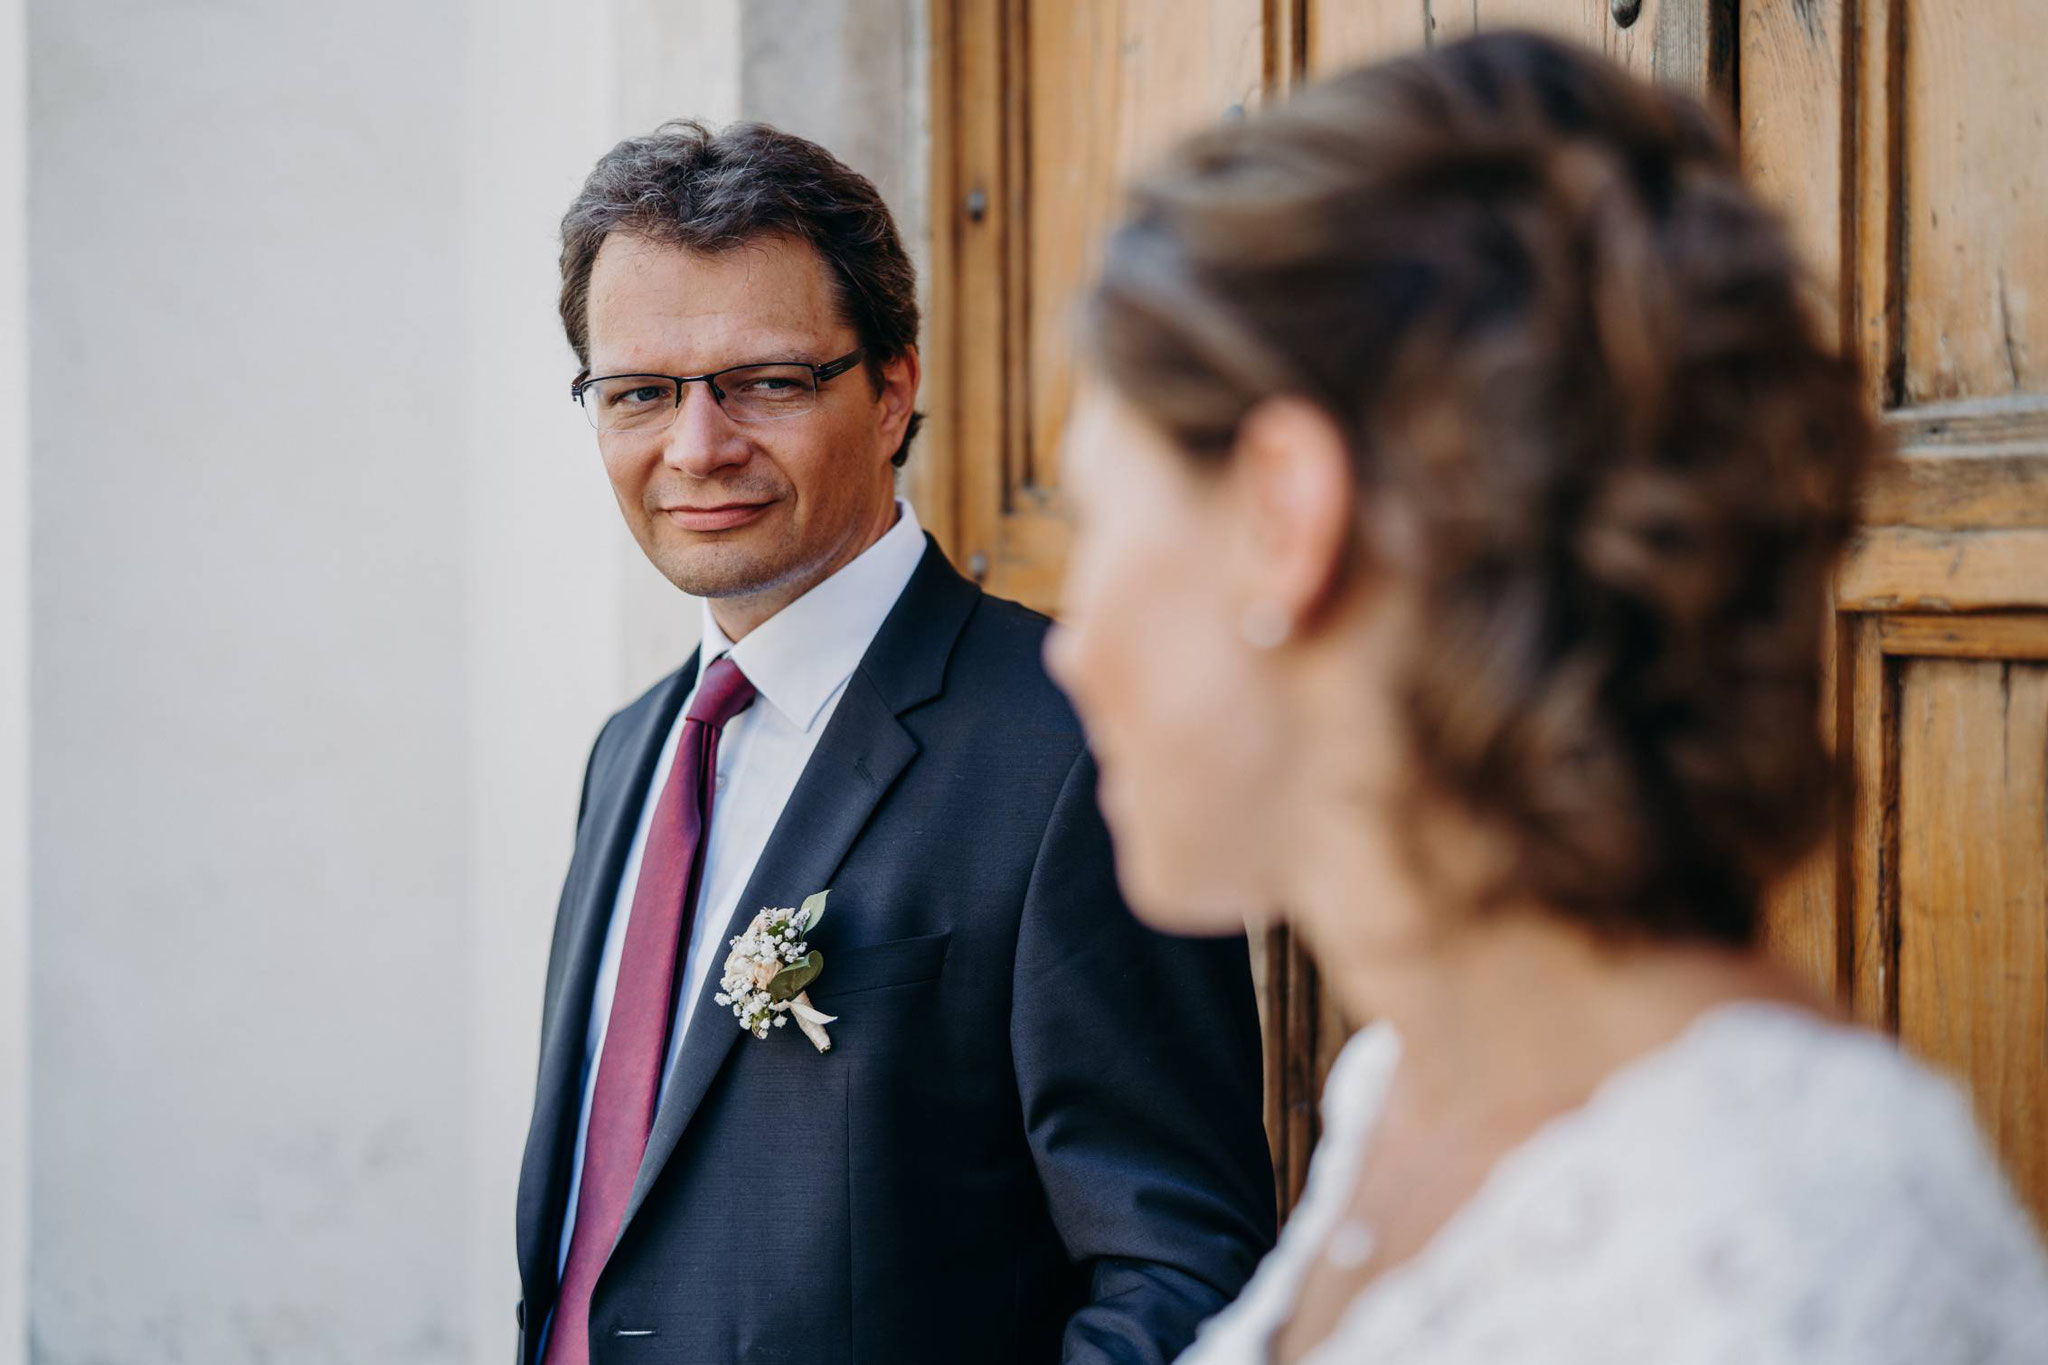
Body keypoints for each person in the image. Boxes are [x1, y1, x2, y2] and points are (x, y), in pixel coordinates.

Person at [1046, 30, 2048, 1364]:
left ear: (1287, 513)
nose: (1068, 645)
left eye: (1099, 523)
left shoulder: (1782, 1245)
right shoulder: (1396, 1092)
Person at [513, 122, 1275, 1365]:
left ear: (892, 390)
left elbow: (1179, 1276)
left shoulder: (1074, 743)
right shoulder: (626, 756)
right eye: (640, 392)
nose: (696, 445)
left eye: (764, 381)